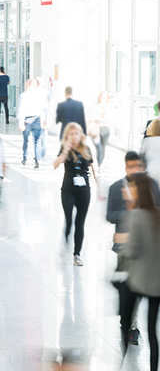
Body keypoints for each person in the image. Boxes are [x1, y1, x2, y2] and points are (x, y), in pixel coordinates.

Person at [108, 152, 160, 348]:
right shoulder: (116, 187)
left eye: (136, 166)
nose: (134, 170)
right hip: (124, 249)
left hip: (147, 251)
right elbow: (111, 215)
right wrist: (130, 213)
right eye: (130, 167)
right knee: (127, 293)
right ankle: (129, 325)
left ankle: (133, 327)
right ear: (125, 167)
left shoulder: (151, 186)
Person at [120, 173, 160, 371]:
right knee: (153, 332)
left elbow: (132, 251)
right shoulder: (158, 213)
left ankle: (122, 364)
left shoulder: (136, 216)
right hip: (157, 282)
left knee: (127, 322)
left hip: (138, 281)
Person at [53, 123, 100, 266]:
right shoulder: (64, 149)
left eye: (77, 134)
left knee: (80, 222)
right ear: (67, 136)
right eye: (71, 134)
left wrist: (100, 188)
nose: (74, 136)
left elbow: (94, 168)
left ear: (81, 135)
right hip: (68, 189)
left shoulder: (86, 149)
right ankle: (66, 241)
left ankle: (77, 254)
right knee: (69, 219)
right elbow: (55, 164)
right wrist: (66, 150)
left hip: (84, 190)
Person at [17, 79, 48, 168]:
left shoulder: (23, 95)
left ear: (27, 85)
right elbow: (43, 108)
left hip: (27, 120)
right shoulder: (39, 95)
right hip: (38, 119)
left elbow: (21, 109)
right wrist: (44, 119)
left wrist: (21, 122)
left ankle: (24, 158)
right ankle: (37, 160)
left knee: (26, 140)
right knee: (37, 140)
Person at [90, 91, 111, 168]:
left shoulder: (108, 107)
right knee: (99, 149)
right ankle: (99, 165)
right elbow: (92, 117)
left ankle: (100, 164)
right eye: (101, 95)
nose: (102, 97)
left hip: (105, 129)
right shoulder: (95, 106)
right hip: (96, 130)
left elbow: (109, 119)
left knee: (103, 148)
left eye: (104, 96)